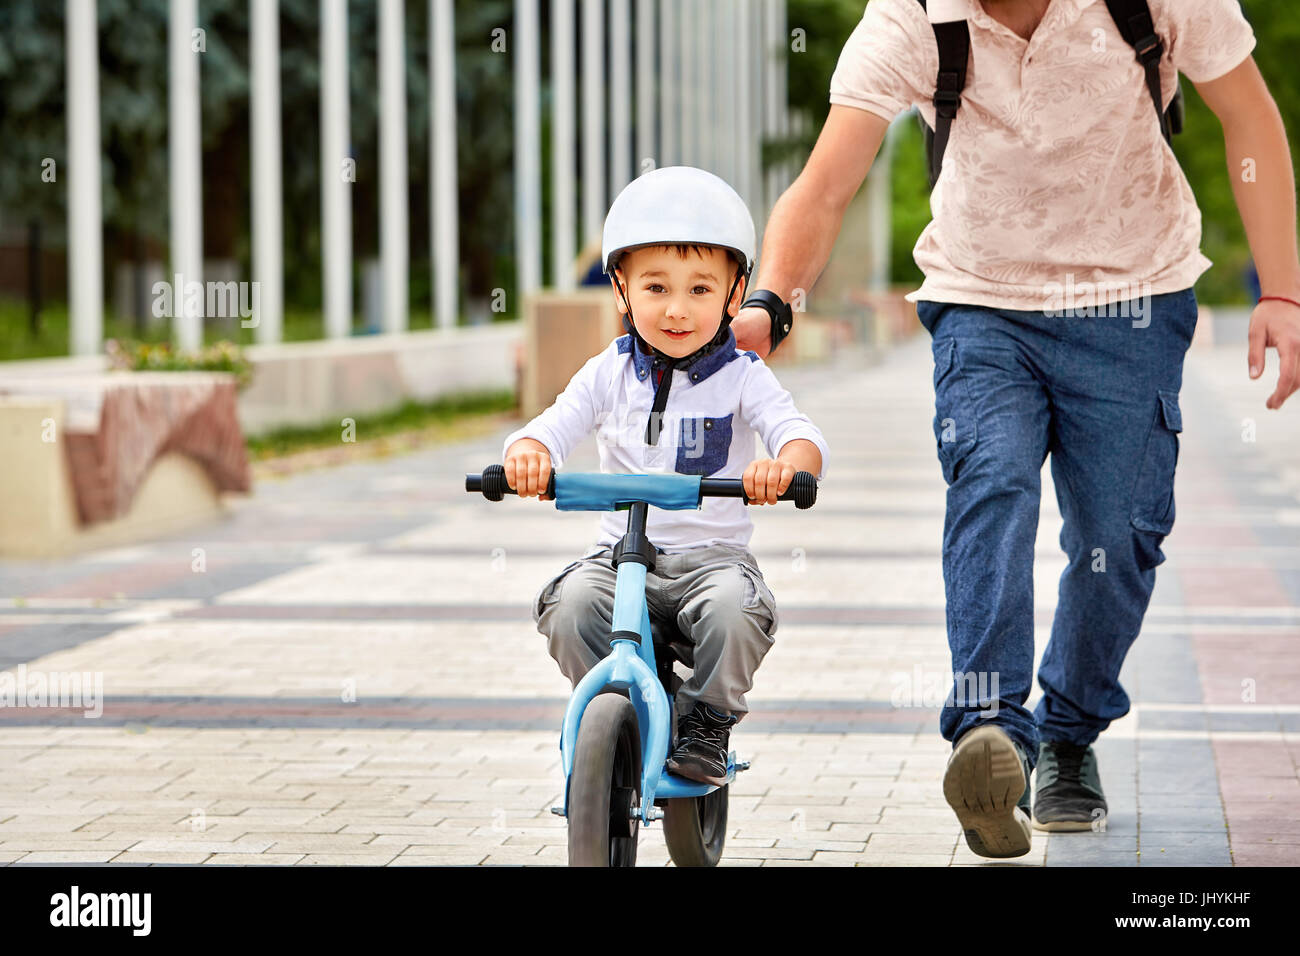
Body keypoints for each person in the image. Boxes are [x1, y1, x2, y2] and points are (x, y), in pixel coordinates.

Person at [727, 0, 1300, 857]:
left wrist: (1282, 291)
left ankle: (1068, 734)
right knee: (991, 479)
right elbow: (827, 181)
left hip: (1136, 299)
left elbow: (1249, 117)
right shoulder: (913, 17)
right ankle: (990, 730)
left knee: (1121, 533)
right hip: (982, 304)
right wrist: (773, 300)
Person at [502, 166, 829, 787]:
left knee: (736, 611)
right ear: (621, 289)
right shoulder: (607, 373)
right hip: (618, 559)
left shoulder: (743, 375)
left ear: (737, 295)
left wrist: (785, 468)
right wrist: (528, 454)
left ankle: (708, 718)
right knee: (570, 604)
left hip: (711, 561)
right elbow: (551, 425)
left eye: (701, 290)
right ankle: (611, 714)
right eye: (656, 287)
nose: (677, 311)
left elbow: (800, 436)